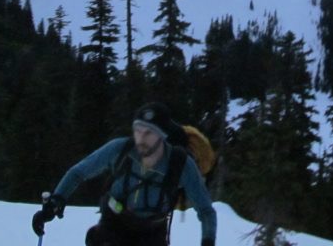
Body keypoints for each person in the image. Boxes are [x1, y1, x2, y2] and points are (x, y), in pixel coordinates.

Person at [32, 102, 216, 246]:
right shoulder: (120, 149)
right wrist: (55, 202)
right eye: (138, 131)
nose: (141, 139)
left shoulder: (180, 164)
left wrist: (207, 241)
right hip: (113, 225)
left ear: (162, 136)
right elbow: (78, 172)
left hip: (151, 235)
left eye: (148, 133)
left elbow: (206, 210)